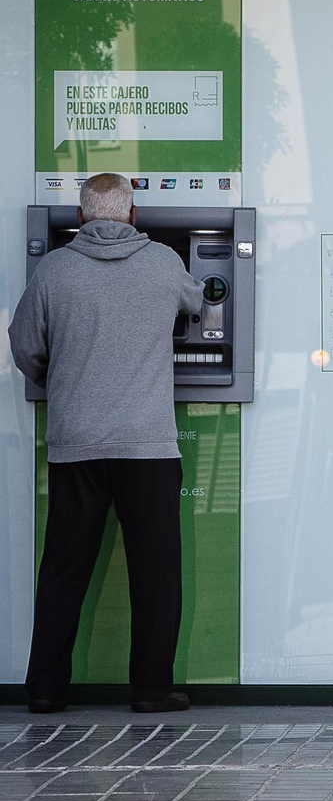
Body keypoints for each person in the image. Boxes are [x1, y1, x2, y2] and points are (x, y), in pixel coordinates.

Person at [9, 173, 204, 714]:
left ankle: (46, 691)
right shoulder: (164, 262)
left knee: (64, 569)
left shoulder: (55, 268)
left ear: (80, 215)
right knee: (155, 573)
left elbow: (24, 344)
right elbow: (199, 302)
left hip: (78, 443)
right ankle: (151, 689)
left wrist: (60, 378)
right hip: (147, 445)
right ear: (133, 215)